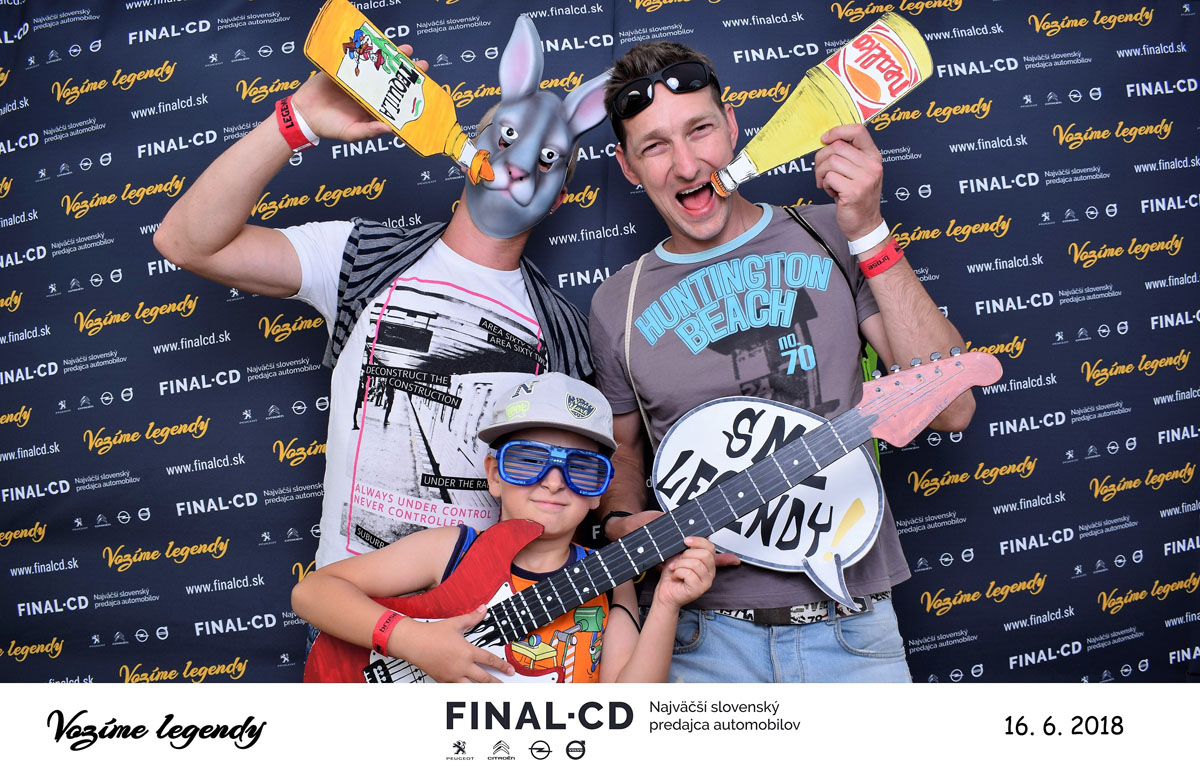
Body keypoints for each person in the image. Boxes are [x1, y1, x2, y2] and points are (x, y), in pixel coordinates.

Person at [154, 18, 609, 571]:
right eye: (509, 139)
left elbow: (564, 491)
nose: (519, 168)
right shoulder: (362, 255)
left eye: (547, 160)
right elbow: (185, 242)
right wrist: (297, 120)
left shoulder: (561, 329)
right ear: (469, 148)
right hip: (345, 604)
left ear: (559, 198)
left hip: (479, 616)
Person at [588, 42, 976, 682]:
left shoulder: (831, 234)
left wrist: (870, 230)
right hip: (701, 642)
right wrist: (622, 521)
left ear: (733, 126)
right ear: (629, 167)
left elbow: (952, 408)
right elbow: (624, 454)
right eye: (655, 146)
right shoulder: (617, 303)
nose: (686, 164)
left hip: (852, 632)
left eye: (700, 130)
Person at [291, 373, 725, 682]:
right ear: (494, 476)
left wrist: (666, 604)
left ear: (599, 493)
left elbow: (628, 707)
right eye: (528, 462)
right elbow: (312, 592)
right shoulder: (451, 550)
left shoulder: (613, 580)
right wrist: (412, 641)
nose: (553, 482)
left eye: (581, 469)